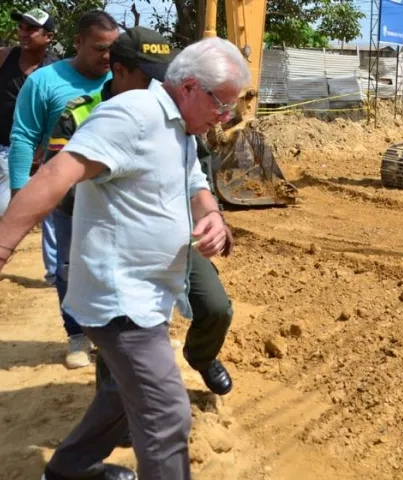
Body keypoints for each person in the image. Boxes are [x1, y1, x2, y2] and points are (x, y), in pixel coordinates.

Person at [0, 36, 249, 480]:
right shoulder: (133, 114)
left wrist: (212, 217)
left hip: (151, 294)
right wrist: (3, 244)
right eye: (220, 103)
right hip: (119, 299)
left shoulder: (182, 130)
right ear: (189, 87)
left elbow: (195, 185)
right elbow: (58, 172)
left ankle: (68, 471)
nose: (224, 116)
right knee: (169, 415)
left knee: (120, 393)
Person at [46, 25, 235, 401]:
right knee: (120, 328)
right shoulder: (84, 114)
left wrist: (211, 214)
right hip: (113, 244)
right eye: (149, 75)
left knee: (215, 307)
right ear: (118, 71)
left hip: (172, 235)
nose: (158, 85)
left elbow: (196, 175)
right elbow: (60, 187)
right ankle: (114, 412)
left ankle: (200, 354)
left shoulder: (174, 116)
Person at [8, 10, 119, 369]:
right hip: (66, 195)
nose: (107, 57)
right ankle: (77, 335)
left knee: (117, 264)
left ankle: (117, 334)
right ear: (78, 42)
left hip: (117, 194)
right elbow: (24, 137)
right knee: (67, 267)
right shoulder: (44, 82)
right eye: (100, 49)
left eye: (112, 50)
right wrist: (21, 192)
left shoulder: (126, 77)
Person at [0, 7, 59, 215]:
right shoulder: (5, 57)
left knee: (7, 211)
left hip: (21, 153)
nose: (23, 33)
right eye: (21, 27)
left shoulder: (55, 71)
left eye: (31, 29)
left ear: (48, 37)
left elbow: (57, 114)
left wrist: (43, 148)